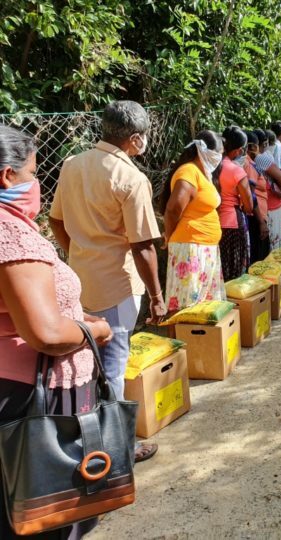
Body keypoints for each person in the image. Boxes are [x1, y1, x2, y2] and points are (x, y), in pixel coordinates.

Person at [1, 125, 113, 538]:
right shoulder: (10, 234)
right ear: (6, 177)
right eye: (32, 173)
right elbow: (45, 333)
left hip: (16, 390)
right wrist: (93, 329)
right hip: (30, 397)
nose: (37, 183)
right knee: (48, 509)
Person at [49, 101, 164, 462]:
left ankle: (85, 438)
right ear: (134, 139)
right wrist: (158, 296)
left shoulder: (72, 165)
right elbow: (143, 246)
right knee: (113, 367)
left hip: (78, 283)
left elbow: (55, 221)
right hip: (117, 287)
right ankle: (116, 448)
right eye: (143, 137)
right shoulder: (131, 179)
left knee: (84, 365)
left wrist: (78, 253)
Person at [160, 130, 226, 312]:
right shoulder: (188, 171)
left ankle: (202, 341)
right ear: (203, 150)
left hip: (205, 248)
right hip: (191, 249)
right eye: (217, 152)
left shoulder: (203, 173)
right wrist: (169, 236)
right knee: (188, 305)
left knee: (204, 308)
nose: (219, 157)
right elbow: (173, 209)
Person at [218, 126, 253, 281]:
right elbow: (249, 206)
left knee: (218, 268)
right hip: (233, 223)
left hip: (213, 222)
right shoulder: (236, 171)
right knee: (234, 269)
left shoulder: (210, 166)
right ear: (239, 150)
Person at [253, 129, 281, 249]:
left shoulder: (256, 158)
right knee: (273, 242)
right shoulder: (261, 157)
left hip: (266, 203)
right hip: (271, 203)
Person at [242, 130, 270, 262]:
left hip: (254, 215)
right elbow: (251, 195)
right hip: (254, 217)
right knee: (258, 258)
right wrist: (261, 222)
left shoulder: (246, 162)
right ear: (253, 147)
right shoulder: (248, 164)